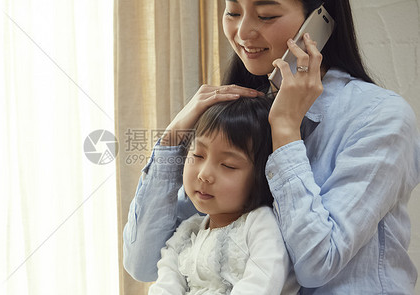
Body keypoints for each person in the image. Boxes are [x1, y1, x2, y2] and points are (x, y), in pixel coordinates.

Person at [123, 0, 420, 294]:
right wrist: (174, 137)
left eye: (266, 15)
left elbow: (318, 264)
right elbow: (144, 262)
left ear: (320, 20)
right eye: (233, 12)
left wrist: (286, 131)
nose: (242, 32)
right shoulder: (242, 113)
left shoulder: (380, 116)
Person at [148, 97, 300, 294]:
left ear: (262, 175)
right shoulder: (187, 231)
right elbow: (165, 285)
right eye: (198, 155)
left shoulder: (260, 225)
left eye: (228, 165)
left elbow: (262, 285)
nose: (204, 174)